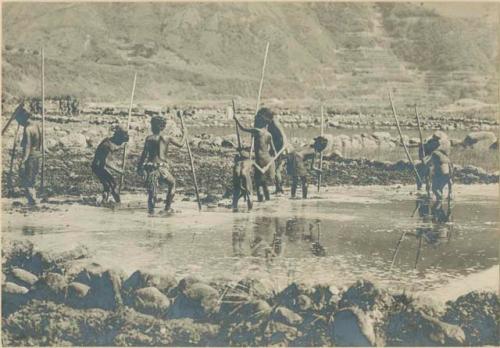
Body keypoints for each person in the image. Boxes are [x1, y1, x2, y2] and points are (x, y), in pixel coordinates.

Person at [137, 115, 185, 214]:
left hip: (151, 168)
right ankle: (167, 208)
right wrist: (185, 134)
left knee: (152, 193)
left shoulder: (149, 138)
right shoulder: (167, 137)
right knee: (172, 184)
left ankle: (151, 213)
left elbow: (144, 155)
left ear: (152, 126)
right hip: (162, 168)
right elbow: (181, 144)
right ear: (163, 127)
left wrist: (139, 167)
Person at [234, 108, 276, 202]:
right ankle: (268, 202)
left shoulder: (257, 131)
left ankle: (261, 202)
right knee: (264, 183)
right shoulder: (269, 134)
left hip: (260, 160)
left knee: (258, 183)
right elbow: (273, 151)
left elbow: (243, 128)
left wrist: (236, 119)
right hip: (268, 160)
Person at [91, 125, 129, 204]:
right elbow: (106, 162)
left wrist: (122, 147)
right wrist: (119, 170)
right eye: (121, 141)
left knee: (107, 185)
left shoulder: (109, 141)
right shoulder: (107, 145)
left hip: (99, 166)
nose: (121, 143)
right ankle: (118, 202)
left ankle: (104, 201)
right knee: (113, 184)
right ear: (118, 137)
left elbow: (114, 148)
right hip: (99, 167)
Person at [255, 108, 289, 194]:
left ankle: (279, 188)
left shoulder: (274, 121)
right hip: (274, 145)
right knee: (272, 166)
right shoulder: (267, 122)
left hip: (280, 146)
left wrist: (285, 145)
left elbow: (283, 134)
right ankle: (275, 187)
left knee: (277, 168)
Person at [15, 104, 43, 205]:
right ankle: (33, 199)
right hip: (37, 155)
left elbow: (27, 146)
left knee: (27, 180)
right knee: (32, 179)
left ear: (22, 118)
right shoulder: (36, 125)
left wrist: (23, 160)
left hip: (30, 156)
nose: (19, 123)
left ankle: (33, 200)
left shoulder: (27, 129)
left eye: (19, 121)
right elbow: (40, 142)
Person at [422, 131, 453, 202]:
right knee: (440, 188)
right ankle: (443, 200)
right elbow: (450, 177)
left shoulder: (434, 153)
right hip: (447, 174)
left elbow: (426, 163)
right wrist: (450, 192)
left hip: (441, 173)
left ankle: (439, 201)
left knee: (435, 189)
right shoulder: (445, 156)